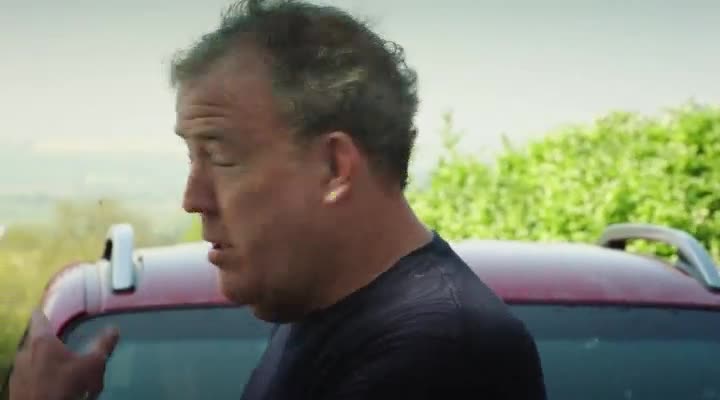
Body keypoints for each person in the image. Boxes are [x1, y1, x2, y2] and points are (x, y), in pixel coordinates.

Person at [9, 0, 547, 399]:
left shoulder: (439, 354)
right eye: (191, 157)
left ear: (333, 167)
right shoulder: (321, 311)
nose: (192, 199)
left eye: (220, 156)